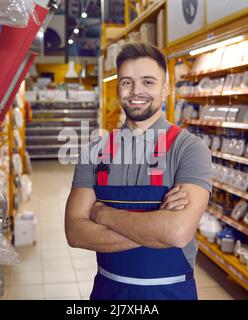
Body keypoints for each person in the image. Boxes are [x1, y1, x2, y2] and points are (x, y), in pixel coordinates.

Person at [65, 42, 212, 300]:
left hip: (171, 292)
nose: (136, 91)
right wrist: (157, 226)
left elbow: (178, 233)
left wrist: (103, 213)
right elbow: (75, 233)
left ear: (165, 89)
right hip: (108, 292)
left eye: (148, 82)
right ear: (117, 88)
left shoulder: (190, 149)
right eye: (126, 82)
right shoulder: (94, 151)